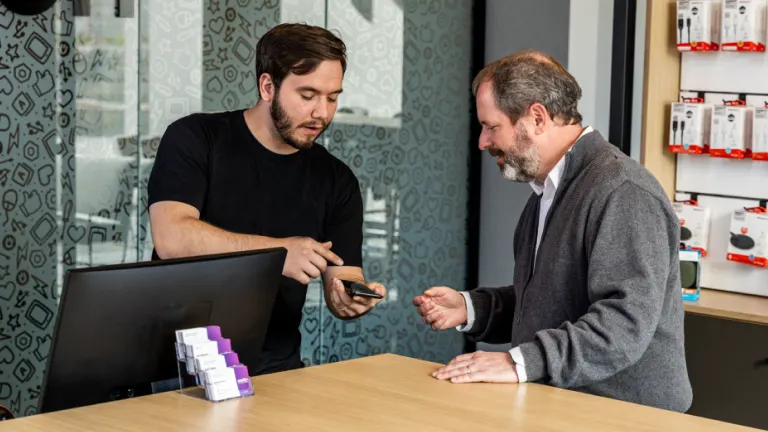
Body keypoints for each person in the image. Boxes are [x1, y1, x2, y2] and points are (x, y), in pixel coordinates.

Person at [413, 50, 692, 412]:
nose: (482, 142)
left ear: (537, 117)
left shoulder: (622, 191)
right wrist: (471, 308)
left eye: (492, 126)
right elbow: (554, 300)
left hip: (627, 416)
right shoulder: (549, 192)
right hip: (567, 404)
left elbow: (623, 325)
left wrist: (518, 362)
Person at [148, 23, 386, 375]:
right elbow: (171, 238)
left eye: (332, 97)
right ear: (267, 86)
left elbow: (344, 275)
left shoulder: (337, 180)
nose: (322, 112)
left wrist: (350, 297)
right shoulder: (196, 138)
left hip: (277, 372)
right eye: (308, 95)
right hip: (176, 368)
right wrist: (277, 254)